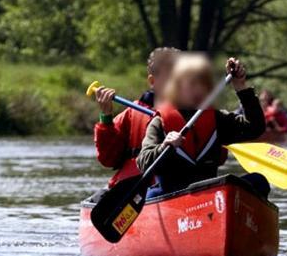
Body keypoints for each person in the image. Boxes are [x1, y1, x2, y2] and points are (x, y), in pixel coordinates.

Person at [137, 54, 268, 199]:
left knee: (259, 181)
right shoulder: (159, 122)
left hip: (210, 194)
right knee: (149, 196)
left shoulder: (216, 118)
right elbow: (143, 163)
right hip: (173, 196)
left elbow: (255, 128)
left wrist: (241, 87)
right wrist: (164, 146)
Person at [93, 47, 179, 187]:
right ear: (153, 81)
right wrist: (106, 116)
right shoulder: (132, 114)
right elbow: (108, 159)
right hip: (140, 188)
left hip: (182, 185)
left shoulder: (197, 112)